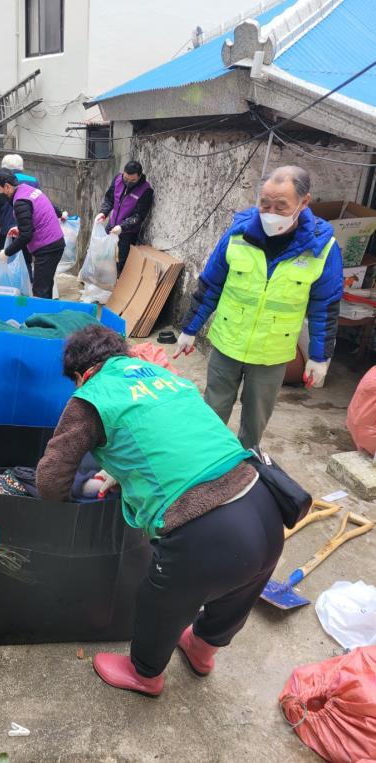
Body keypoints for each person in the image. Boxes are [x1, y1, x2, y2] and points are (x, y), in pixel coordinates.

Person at [36, 324, 284, 697]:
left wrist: (62, 509)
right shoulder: (167, 378)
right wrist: (121, 470)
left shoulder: (90, 398)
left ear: (79, 374)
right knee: (240, 591)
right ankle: (202, 650)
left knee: (161, 599)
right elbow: (170, 441)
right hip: (264, 505)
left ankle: (144, 673)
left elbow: (50, 479)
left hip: (207, 529)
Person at [175, 165, 344, 450]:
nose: (270, 212)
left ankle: (245, 470)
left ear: (304, 203)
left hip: (272, 354)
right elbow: (210, 285)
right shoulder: (237, 235)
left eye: (281, 206)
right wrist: (189, 329)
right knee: (212, 414)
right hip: (228, 343)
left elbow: (325, 307)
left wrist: (319, 356)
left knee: (255, 423)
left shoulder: (322, 248)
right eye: (264, 203)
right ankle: (203, 464)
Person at [0, 169, 65, 299]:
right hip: (54, 242)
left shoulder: (20, 202)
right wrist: (20, 228)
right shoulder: (26, 189)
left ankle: (41, 317)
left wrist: (7, 252)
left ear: (7, 187)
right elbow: (36, 216)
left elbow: (26, 236)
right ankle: (48, 314)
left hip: (47, 247)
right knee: (45, 285)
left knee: (39, 291)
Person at [96, 160, 154, 275]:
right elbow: (109, 199)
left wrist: (122, 227)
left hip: (127, 233)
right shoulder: (118, 179)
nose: (128, 183)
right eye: (126, 179)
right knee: (103, 258)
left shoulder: (145, 191)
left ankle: (117, 290)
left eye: (133, 180)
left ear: (139, 176)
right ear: (123, 173)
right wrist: (104, 212)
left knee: (119, 265)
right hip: (111, 226)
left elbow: (138, 216)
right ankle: (101, 287)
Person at [0, 154, 40, 250]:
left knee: (5, 259)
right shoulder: (33, 181)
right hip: (27, 230)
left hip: (7, 231)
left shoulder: (1, 181)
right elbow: (38, 204)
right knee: (26, 261)